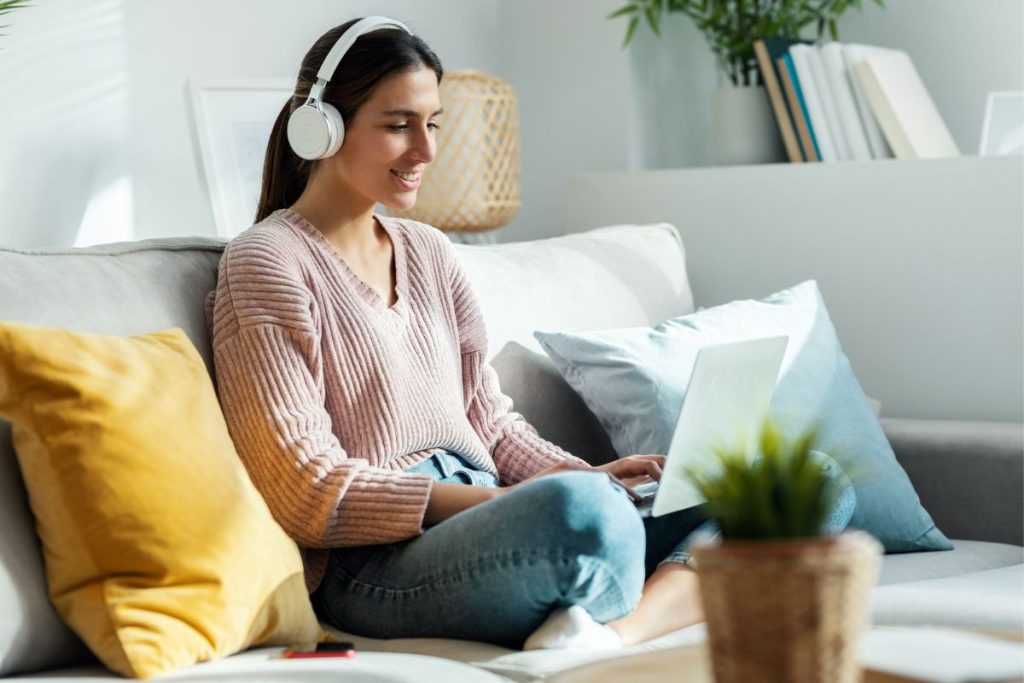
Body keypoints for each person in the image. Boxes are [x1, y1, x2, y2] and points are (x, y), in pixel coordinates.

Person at [208, 16, 710, 651]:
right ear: (321, 126)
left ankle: (609, 633)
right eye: (398, 126)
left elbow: (490, 423)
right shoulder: (267, 262)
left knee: (789, 482)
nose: (427, 151)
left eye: (432, 123)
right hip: (379, 559)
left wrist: (588, 473)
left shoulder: (430, 251)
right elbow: (304, 490)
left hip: (499, 514)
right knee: (586, 517)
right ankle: (631, 578)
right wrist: (527, 502)